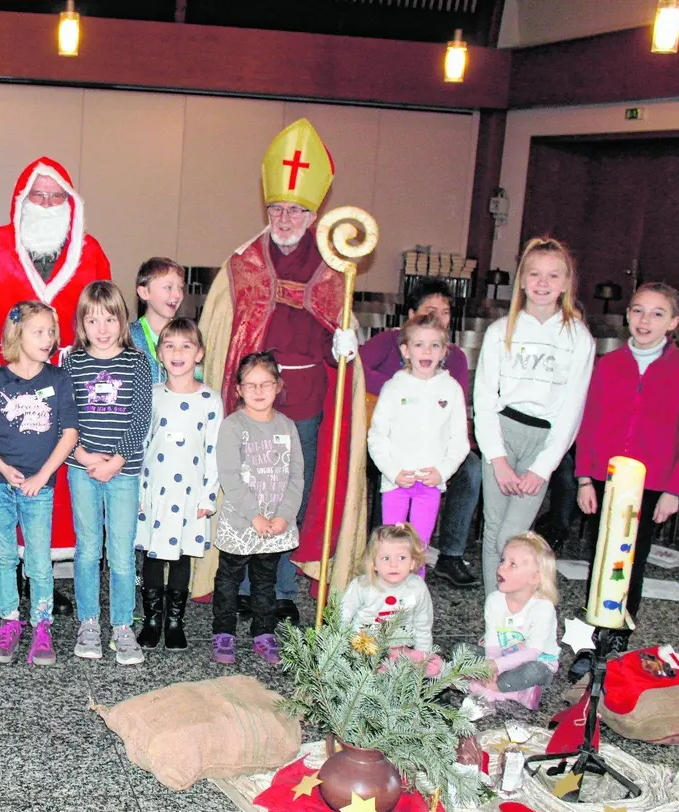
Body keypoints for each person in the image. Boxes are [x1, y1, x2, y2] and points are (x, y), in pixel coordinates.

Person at [196, 119, 367, 615]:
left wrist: (345, 343)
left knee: (296, 493)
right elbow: (224, 332)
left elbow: (342, 339)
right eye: (277, 208)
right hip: (252, 404)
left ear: (313, 214)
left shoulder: (337, 268)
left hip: (308, 403)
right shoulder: (244, 264)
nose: (285, 217)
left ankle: (284, 590)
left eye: (295, 209)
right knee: (248, 489)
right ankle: (246, 587)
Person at [0, 157, 113, 611]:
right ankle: (7, 581)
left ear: (70, 202)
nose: (47, 204)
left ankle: (43, 579)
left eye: (56, 197)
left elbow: (102, 318)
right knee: (3, 476)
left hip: (64, 379)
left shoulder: (91, 251)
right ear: (20, 201)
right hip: (1, 378)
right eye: (38, 196)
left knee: (52, 480)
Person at [569, 283, 679, 674]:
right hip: (605, 479)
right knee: (600, 554)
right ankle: (594, 628)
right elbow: (590, 423)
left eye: (657, 313)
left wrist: (674, 491)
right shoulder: (608, 365)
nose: (645, 320)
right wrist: (584, 479)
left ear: (673, 323)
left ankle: (617, 631)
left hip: (651, 485)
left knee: (633, 558)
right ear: (627, 315)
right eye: (638, 311)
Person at [472, 237, 595, 595]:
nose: (543, 283)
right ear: (522, 280)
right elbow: (483, 398)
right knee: (494, 528)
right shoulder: (500, 332)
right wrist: (496, 457)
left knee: (512, 534)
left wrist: (543, 467)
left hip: (542, 441)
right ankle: (495, 613)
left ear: (566, 283)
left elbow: (572, 409)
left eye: (553, 276)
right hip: (502, 432)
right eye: (535, 274)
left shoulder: (578, 338)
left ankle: (514, 607)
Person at [0, 301, 79, 666]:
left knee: (38, 559)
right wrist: (1, 466)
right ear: (18, 334)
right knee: (3, 557)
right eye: (39, 331)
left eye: (51, 332)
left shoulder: (59, 379)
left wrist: (42, 476)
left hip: (39, 487)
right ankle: (9, 620)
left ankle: (42, 626)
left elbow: (69, 433)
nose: (47, 339)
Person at [358, 279, 480, 587]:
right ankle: (383, 602)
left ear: (444, 351)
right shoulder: (394, 386)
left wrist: (442, 472)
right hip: (396, 480)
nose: (427, 351)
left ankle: (412, 604)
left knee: (418, 548)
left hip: (430, 483)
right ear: (406, 350)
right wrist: (393, 471)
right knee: (390, 547)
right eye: (419, 345)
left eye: (435, 345)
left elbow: (458, 440)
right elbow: (377, 437)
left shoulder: (450, 389)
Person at [61, 281, 153, 665]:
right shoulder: (72, 361)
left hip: (123, 470)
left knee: (120, 552)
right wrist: (83, 456)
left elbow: (140, 417)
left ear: (122, 320)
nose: (101, 328)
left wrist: (114, 460)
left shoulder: (137, 361)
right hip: (81, 468)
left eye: (109, 318)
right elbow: (64, 417)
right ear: (82, 322)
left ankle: (121, 626)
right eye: (92, 319)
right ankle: (88, 622)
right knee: (86, 549)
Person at [211, 352, 306, 666]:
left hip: (275, 525)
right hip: (242, 523)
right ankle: (223, 632)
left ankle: (263, 633)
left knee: (266, 581)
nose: (258, 390)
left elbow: (296, 475)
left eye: (266, 383)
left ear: (278, 386)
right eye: (250, 385)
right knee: (229, 580)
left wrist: (283, 516)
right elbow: (229, 475)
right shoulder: (233, 426)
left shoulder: (287, 426)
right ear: (238, 389)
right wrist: (254, 515)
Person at [135, 317, 221, 650]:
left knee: (183, 556)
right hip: (155, 489)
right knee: (155, 557)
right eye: (169, 345)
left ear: (199, 354)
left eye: (186, 345)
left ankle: (174, 621)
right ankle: (152, 619)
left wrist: (208, 496)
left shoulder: (209, 400)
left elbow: (214, 451)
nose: (177, 352)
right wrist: (138, 493)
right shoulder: (152, 395)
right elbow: (141, 443)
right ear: (159, 353)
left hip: (189, 493)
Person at [467, 532, 561, 711]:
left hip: (535, 662)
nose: (501, 568)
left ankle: (495, 689)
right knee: (462, 651)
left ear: (535, 578)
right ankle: (511, 691)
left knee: (535, 671)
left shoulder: (543, 608)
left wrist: (496, 666)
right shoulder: (495, 600)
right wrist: (490, 665)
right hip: (502, 658)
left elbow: (532, 653)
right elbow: (492, 641)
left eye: (512, 565)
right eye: (503, 560)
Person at [337, 523, 436, 661]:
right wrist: (343, 649)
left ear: (413, 562)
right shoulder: (362, 586)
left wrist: (422, 657)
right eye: (386, 558)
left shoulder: (417, 587)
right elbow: (343, 617)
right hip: (364, 649)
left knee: (436, 666)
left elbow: (423, 624)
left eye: (401, 558)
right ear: (374, 563)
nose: (393, 564)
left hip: (400, 650)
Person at [130, 257, 187, 385]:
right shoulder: (128, 337)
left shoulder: (187, 335)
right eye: (168, 287)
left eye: (180, 287)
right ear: (144, 292)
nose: (177, 294)